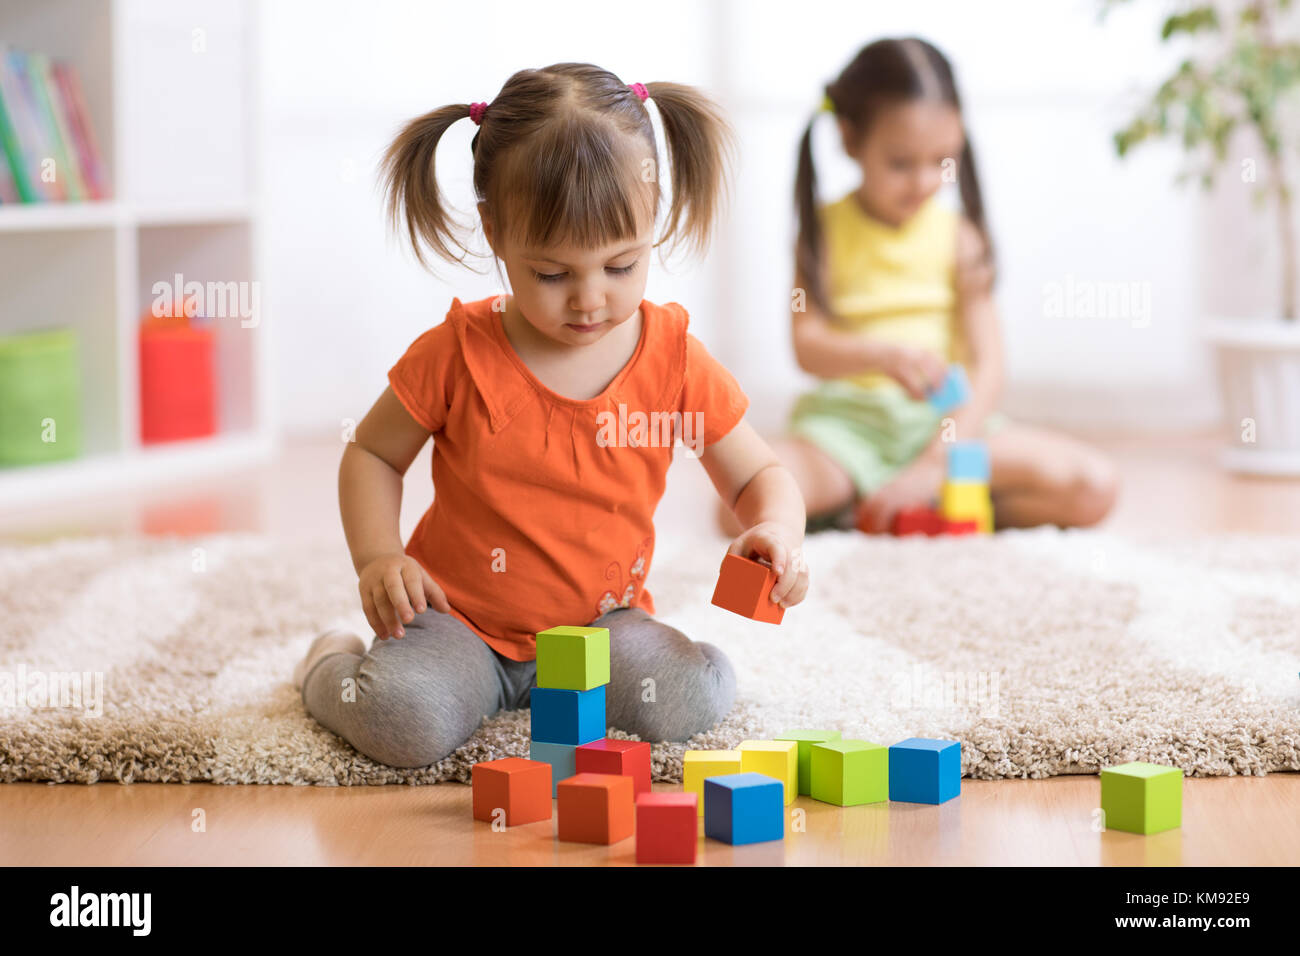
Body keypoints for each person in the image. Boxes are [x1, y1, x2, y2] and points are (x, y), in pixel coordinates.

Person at [292, 63, 808, 768]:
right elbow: (373, 455)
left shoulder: (673, 358)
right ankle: (327, 661)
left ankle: (622, 676)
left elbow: (759, 473)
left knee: (687, 701)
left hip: (603, 629)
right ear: (496, 233)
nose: (590, 299)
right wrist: (379, 557)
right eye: (553, 274)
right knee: (399, 722)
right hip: (461, 624)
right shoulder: (457, 352)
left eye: (621, 266)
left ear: (652, 224)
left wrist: (775, 529)